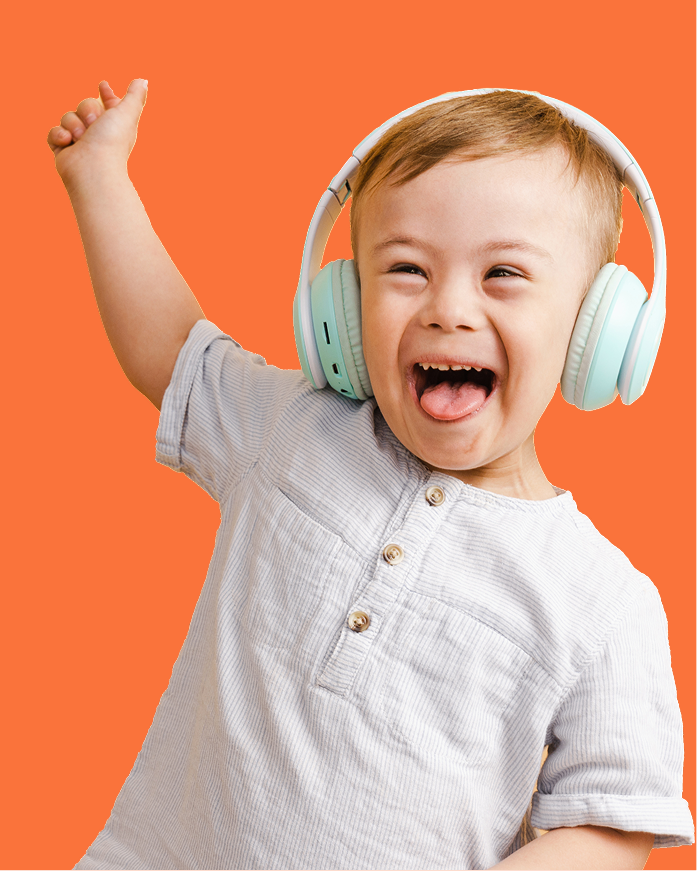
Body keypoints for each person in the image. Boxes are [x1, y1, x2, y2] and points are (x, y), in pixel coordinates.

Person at [48, 80, 693, 870]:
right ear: (344, 312)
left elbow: (609, 825)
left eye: (503, 275)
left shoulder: (603, 601)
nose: (446, 309)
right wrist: (100, 177)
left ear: (597, 329)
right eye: (406, 269)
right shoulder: (293, 427)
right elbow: (171, 350)